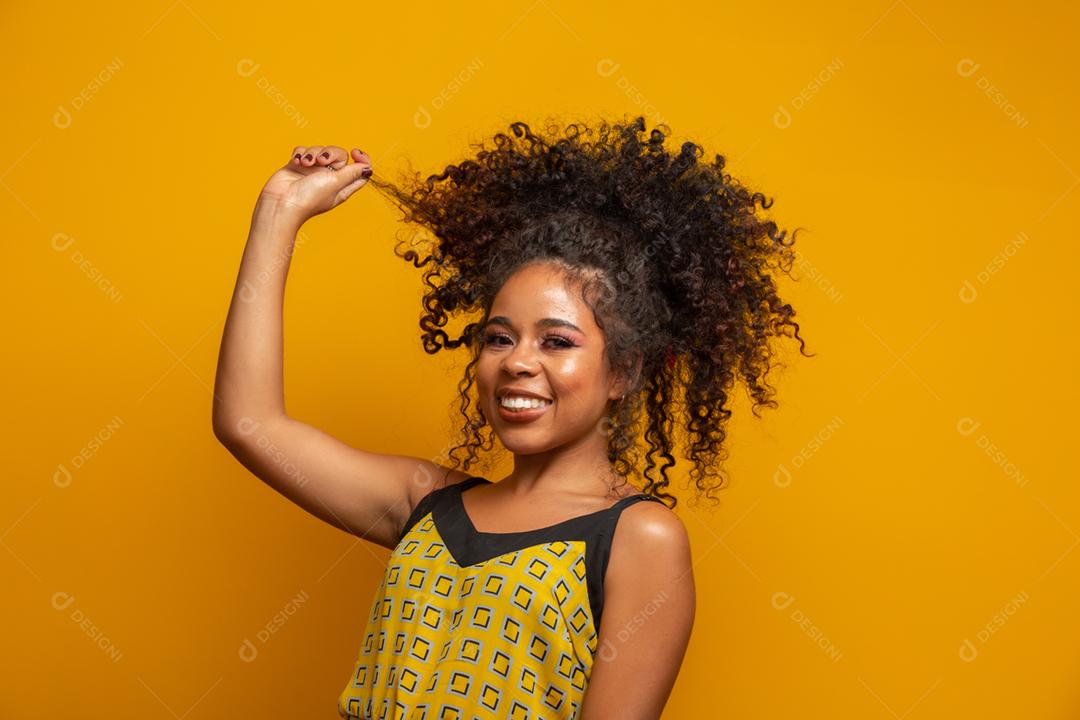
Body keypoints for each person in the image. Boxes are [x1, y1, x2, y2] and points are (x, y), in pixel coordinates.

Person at [212, 116, 811, 719]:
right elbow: (249, 422)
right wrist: (279, 211)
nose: (518, 362)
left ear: (624, 372)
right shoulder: (426, 503)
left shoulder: (637, 538)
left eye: (557, 342)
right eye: (499, 338)